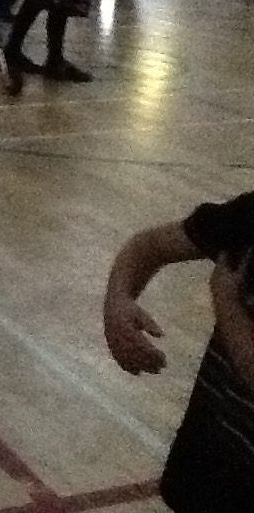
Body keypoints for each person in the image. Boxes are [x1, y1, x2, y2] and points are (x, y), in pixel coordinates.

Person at [104, 192, 254, 511]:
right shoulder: (248, 216)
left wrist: (227, 302)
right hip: (208, 465)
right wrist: (118, 302)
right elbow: (150, 245)